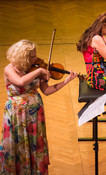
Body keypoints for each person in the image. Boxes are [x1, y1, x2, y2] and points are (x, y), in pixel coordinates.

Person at [0, 39, 77, 174]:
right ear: (22, 56)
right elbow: (21, 82)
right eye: (32, 56)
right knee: (16, 146)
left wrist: (66, 81)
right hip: (16, 115)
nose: (36, 58)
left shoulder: (34, 68)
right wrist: (40, 70)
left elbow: (47, 91)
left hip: (35, 115)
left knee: (35, 144)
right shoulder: (10, 69)